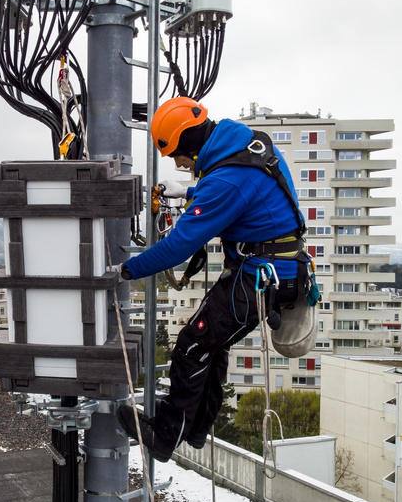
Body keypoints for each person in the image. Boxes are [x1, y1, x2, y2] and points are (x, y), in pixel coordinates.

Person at [111, 96, 308, 462]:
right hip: (273, 270)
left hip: (260, 278)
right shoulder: (243, 143)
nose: (178, 163)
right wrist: (188, 192)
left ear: (188, 143)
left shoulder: (227, 181)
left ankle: (165, 436)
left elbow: (178, 247)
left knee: (192, 344)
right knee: (211, 345)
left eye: (177, 155)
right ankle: (197, 427)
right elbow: (236, 187)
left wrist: (125, 270)